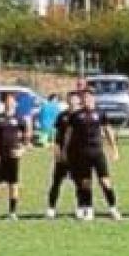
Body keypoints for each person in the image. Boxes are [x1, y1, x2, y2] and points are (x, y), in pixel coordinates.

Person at [62, 91, 122, 221]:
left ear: (93, 99)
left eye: (89, 98)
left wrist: (114, 149)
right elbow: (68, 134)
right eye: (84, 98)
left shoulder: (100, 113)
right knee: (85, 183)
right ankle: (88, 210)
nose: (87, 100)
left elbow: (108, 131)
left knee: (105, 182)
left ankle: (113, 208)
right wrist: (65, 151)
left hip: (97, 152)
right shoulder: (76, 115)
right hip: (82, 154)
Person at [0, 92, 29, 221]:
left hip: (13, 156)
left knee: (14, 184)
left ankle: (12, 212)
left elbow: (27, 137)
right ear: (4, 103)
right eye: (7, 101)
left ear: (15, 104)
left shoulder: (19, 118)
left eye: (12, 101)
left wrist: (22, 150)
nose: (9, 103)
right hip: (0, 156)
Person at [44, 91, 82, 219]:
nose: (72, 101)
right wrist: (56, 150)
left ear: (78, 101)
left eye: (74, 99)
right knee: (56, 182)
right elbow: (57, 134)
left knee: (79, 183)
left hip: (77, 156)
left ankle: (80, 208)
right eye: (70, 99)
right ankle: (51, 208)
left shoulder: (82, 115)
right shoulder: (62, 116)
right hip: (63, 155)